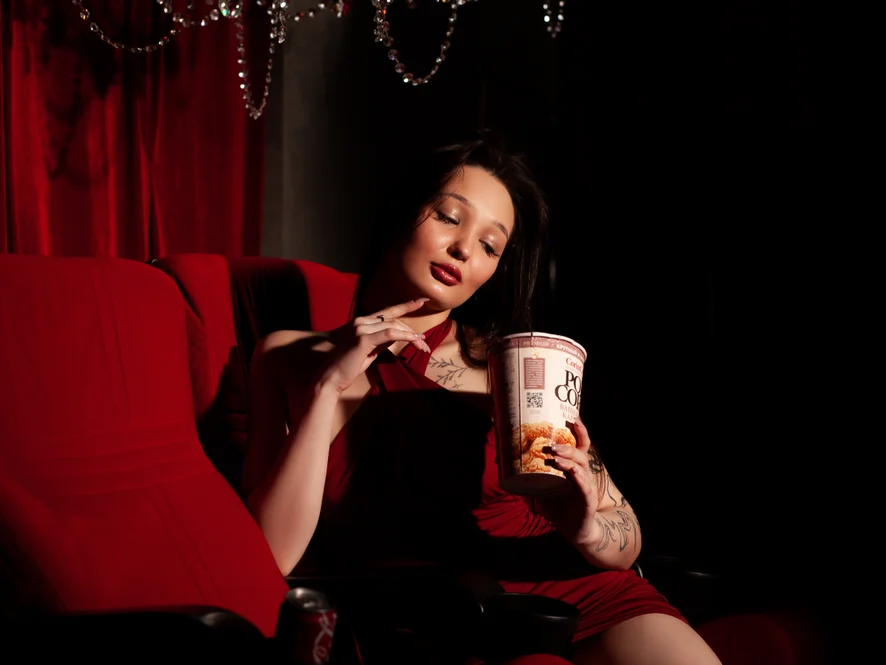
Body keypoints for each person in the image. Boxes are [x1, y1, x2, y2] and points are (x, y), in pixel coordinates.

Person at [242, 132, 722, 665]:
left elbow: (624, 529)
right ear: (402, 211)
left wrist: (587, 529)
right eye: (449, 217)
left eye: (491, 246)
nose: (465, 249)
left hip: (570, 589)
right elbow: (270, 556)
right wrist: (327, 388)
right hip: (445, 615)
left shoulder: (511, 366)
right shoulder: (289, 357)